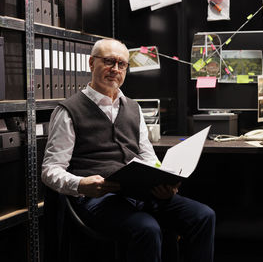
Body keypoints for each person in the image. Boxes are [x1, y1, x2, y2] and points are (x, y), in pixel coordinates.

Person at [42, 38, 215, 262]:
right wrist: (81, 185)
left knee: (203, 216)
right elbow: (50, 169)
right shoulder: (68, 111)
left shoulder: (134, 108)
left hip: (139, 193)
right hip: (98, 199)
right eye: (108, 62)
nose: (115, 69)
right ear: (91, 63)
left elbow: (147, 155)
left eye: (121, 64)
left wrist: (163, 180)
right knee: (147, 229)